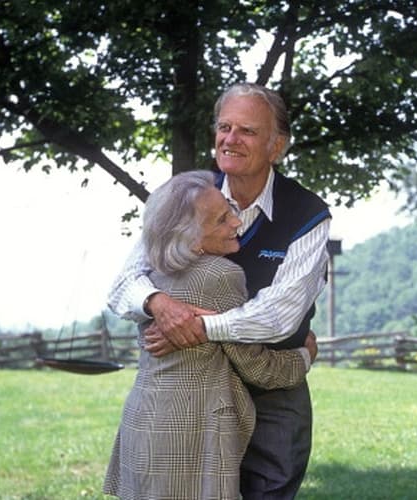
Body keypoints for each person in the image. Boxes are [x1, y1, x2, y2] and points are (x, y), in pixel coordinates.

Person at [108, 82, 331, 499]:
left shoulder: (308, 214)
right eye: (224, 127)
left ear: (276, 145)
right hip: (194, 398)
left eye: (246, 130)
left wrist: (193, 325)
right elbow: (124, 282)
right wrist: (159, 304)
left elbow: (278, 315)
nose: (230, 139)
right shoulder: (187, 193)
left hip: (272, 389)